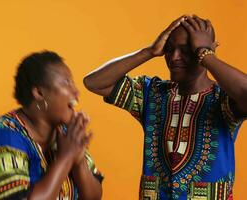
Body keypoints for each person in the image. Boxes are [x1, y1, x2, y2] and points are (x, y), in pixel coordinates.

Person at [83, 15, 246, 199]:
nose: (174, 57)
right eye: (169, 49)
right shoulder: (152, 94)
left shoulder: (223, 100)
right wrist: (149, 51)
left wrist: (205, 55)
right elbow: (94, 82)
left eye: (186, 50)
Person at [0, 50, 103, 200]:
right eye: (66, 83)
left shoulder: (66, 134)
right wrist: (66, 158)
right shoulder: (0, 136)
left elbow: (93, 197)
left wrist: (79, 159)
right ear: (39, 93)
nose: (76, 91)